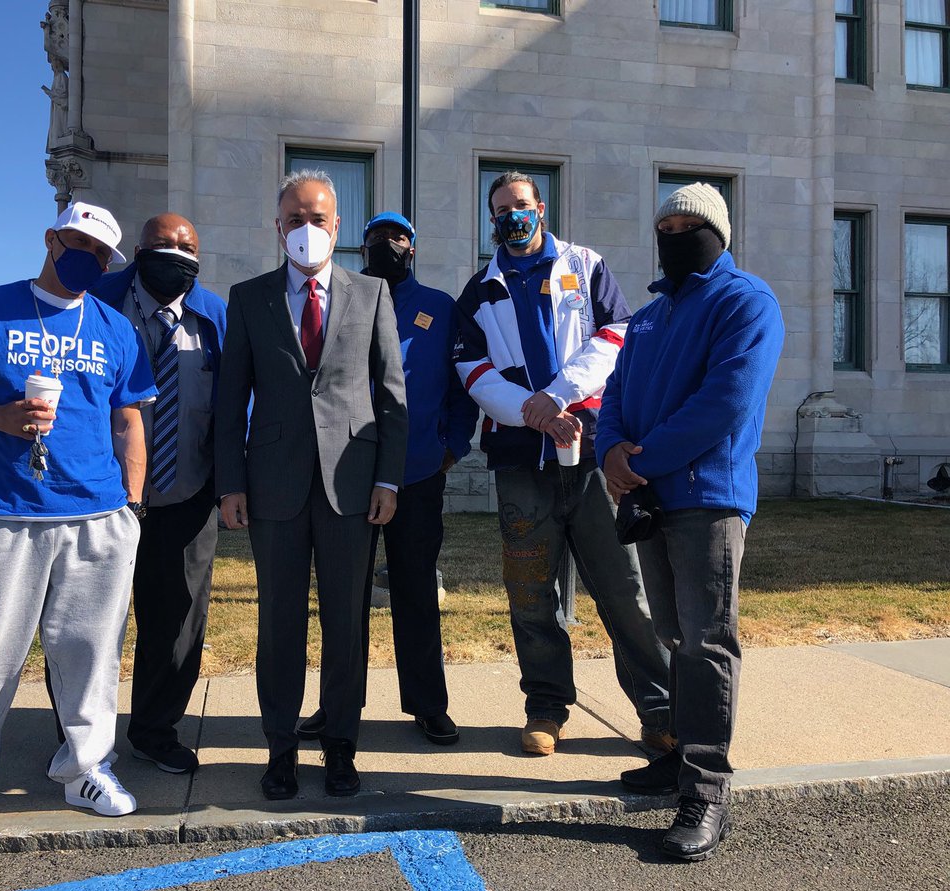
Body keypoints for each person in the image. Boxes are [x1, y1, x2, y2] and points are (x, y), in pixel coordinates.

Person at [0, 201, 156, 843]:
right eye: (79, 244)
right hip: (4, 513)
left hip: (99, 516)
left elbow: (130, 420)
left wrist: (131, 505)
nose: (89, 260)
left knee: (90, 653)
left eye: (102, 255)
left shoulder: (115, 328)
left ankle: (84, 769)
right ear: (52, 239)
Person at [454, 171, 672, 758]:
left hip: (596, 454)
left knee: (625, 589)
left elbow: (617, 333)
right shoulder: (479, 291)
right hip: (523, 464)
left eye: (520, 206)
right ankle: (546, 708)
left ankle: (660, 709)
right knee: (530, 594)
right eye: (501, 210)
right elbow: (473, 373)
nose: (512, 217)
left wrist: (560, 396)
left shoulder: (586, 265)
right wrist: (534, 413)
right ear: (491, 219)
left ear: (541, 209)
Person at [596, 183, 784, 861]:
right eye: (665, 223)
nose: (675, 232)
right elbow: (615, 392)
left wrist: (639, 461)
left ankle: (706, 787)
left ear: (719, 232)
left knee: (707, 641)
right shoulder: (649, 316)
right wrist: (609, 449)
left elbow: (725, 404)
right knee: (673, 632)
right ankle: (677, 759)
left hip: (708, 496)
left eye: (689, 224)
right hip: (651, 498)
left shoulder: (746, 301)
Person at [214, 171, 408, 800]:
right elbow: (229, 399)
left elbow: (392, 396)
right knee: (279, 624)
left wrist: (388, 478)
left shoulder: (372, 293)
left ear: (337, 227)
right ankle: (280, 750)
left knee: (346, 625)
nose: (307, 230)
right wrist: (231, 483)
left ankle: (342, 749)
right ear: (278, 228)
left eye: (318, 219)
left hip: (353, 487)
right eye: (295, 219)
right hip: (272, 487)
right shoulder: (249, 298)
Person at [296, 211, 477, 747]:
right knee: (344, 595)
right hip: (350, 472)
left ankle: (427, 705)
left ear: (413, 248)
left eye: (396, 238)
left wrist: (453, 447)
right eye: (374, 239)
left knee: (415, 590)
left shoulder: (441, 308)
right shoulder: (343, 299)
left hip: (418, 472)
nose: (385, 246)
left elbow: (463, 385)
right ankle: (338, 704)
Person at [86, 213, 224, 774]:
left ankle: (155, 729)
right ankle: (81, 737)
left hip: (186, 495)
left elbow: (238, 401)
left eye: (187, 246)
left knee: (177, 622)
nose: (176, 253)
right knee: (88, 621)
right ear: (137, 251)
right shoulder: (93, 302)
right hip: (99, 498)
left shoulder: (216, 316)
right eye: (163, 244)